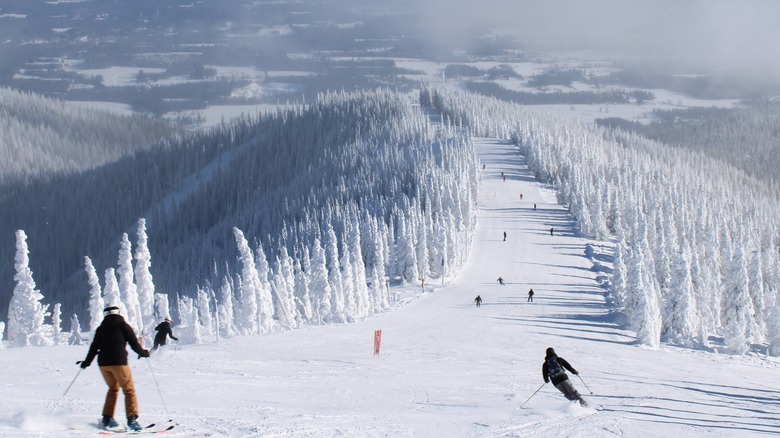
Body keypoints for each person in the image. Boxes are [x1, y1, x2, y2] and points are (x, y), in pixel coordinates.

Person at [79, 306, 150, 432]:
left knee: (113, 388)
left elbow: (94, 348)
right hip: (119, 363)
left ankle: (107, 417)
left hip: (103, 364)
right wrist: (143, 353)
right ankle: (132, 419)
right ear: (118, 313)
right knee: (129, 390)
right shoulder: (123, 326)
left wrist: (86, 362)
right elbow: (134, 344)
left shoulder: (101, 329)